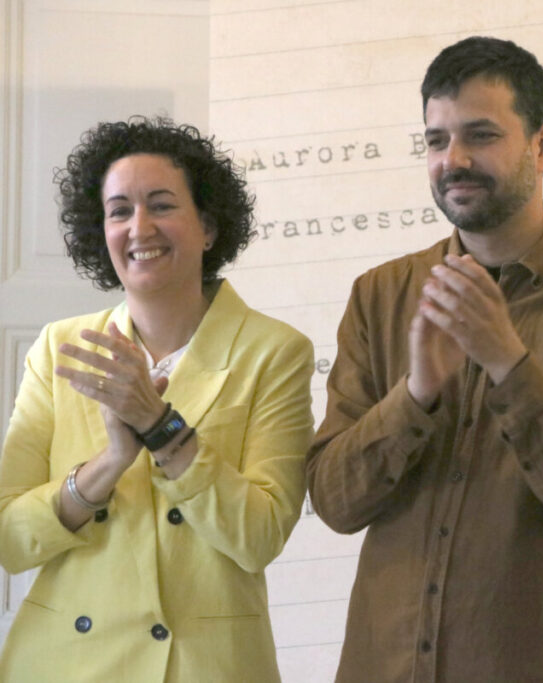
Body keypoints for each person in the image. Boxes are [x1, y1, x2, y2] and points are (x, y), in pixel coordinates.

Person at [307, 36, 543, 682]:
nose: (453, 160)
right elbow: (336, 502)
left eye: (480, 135)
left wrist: (510, 363)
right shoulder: (381, 293)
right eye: (436, 140)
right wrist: (416, 395)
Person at [0, 116, 314, 681]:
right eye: (119, 210)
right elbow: (9, 539)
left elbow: (259, 536)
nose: (139, 227)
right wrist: (109, 464)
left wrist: (160, 426)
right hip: (64, 664)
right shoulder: (59, 347)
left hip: (202, 667)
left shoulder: (275, 351)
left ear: (208, 227)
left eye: (162, 205)